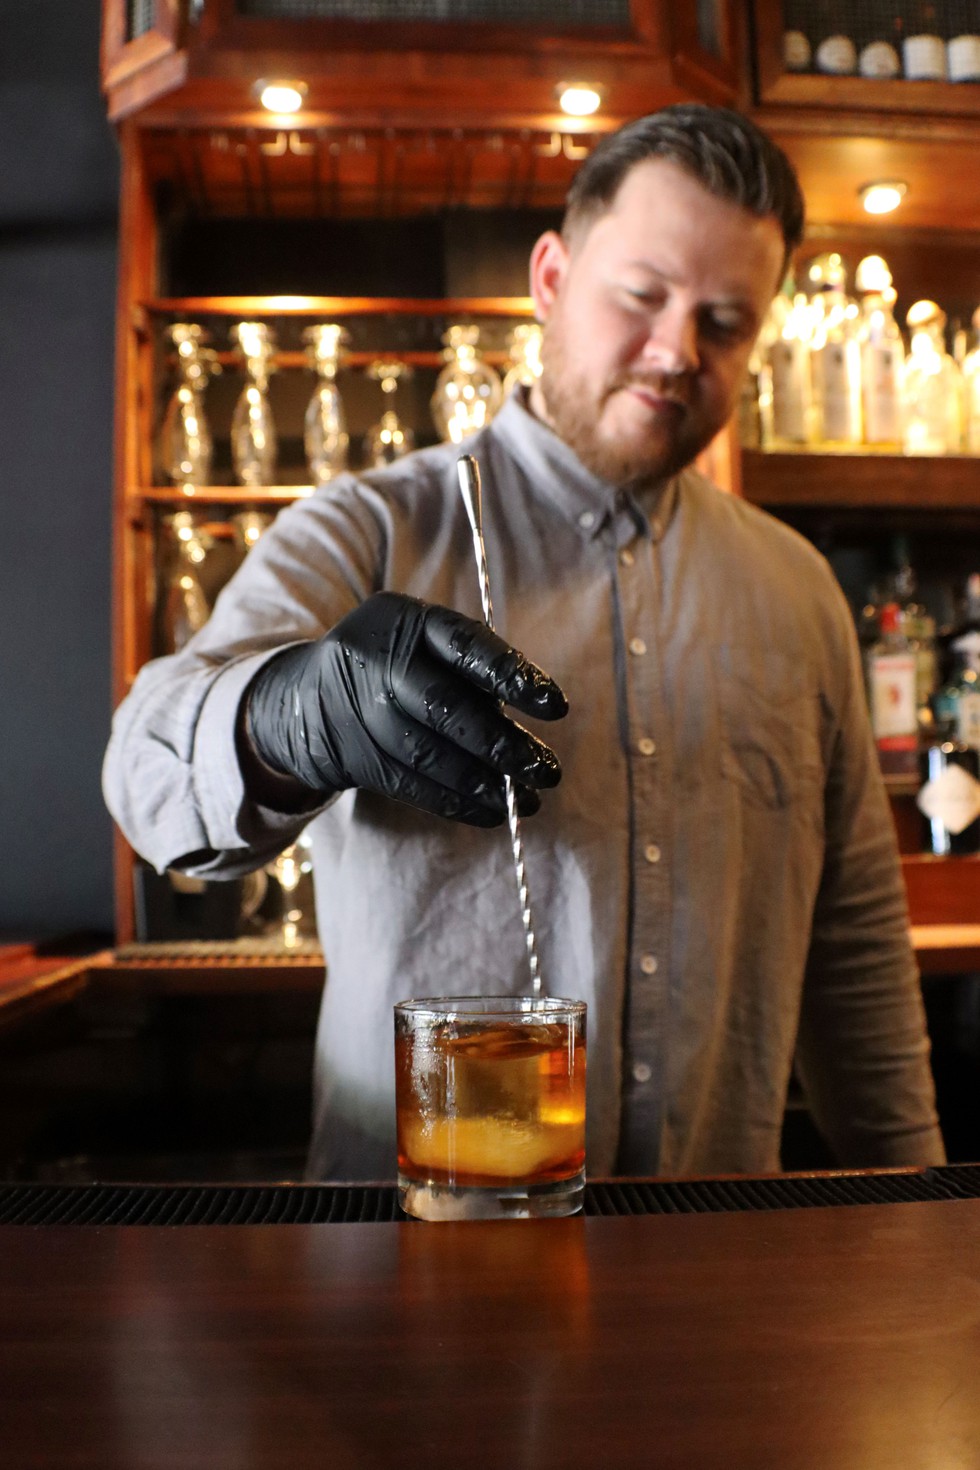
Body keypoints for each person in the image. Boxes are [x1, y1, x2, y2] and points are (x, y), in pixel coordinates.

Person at [103, 104, 946, 1180]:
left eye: (724, 322)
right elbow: (144, 775)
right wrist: (293, 713)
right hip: (414, 1263)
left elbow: (854, 958)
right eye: (639, 297)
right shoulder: (368, 529)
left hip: (717, 1266)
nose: (675, 352)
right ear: (549, 278)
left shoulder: (796, 592)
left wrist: (928, 1212)